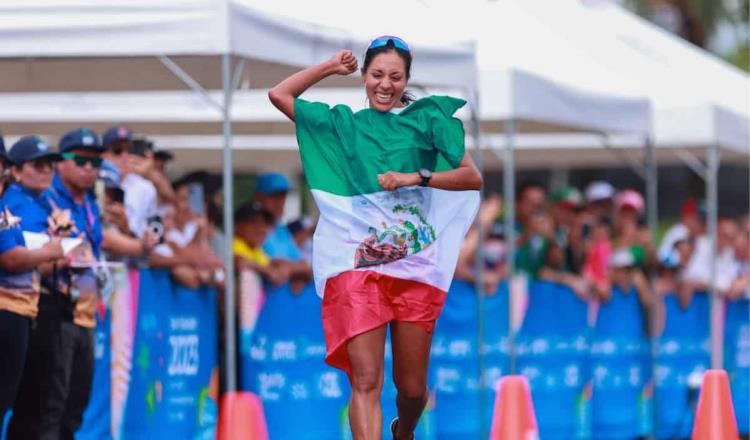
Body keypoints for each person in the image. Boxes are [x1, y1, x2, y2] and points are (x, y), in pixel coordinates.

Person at [269, 36, 482, 440]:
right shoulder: (342, 125)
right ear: (364, 77)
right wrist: (329, 66)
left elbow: (472, 177)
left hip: (414, 267)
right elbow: (280, 94)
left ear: (406, 80)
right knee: (366, 380)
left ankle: (404, 432)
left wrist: (416, 177)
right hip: (357, 266)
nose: (385, 84)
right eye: (377, 75)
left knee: (413, 389)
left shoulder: (428, 121)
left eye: (395, 77)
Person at [0, 136, 64, 422]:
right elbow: (12, 259)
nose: (46, 171)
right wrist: (50, 252)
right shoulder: (12, 205)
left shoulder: (5, 211)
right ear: (15, 171)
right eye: (38, 165)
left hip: (18, 312)